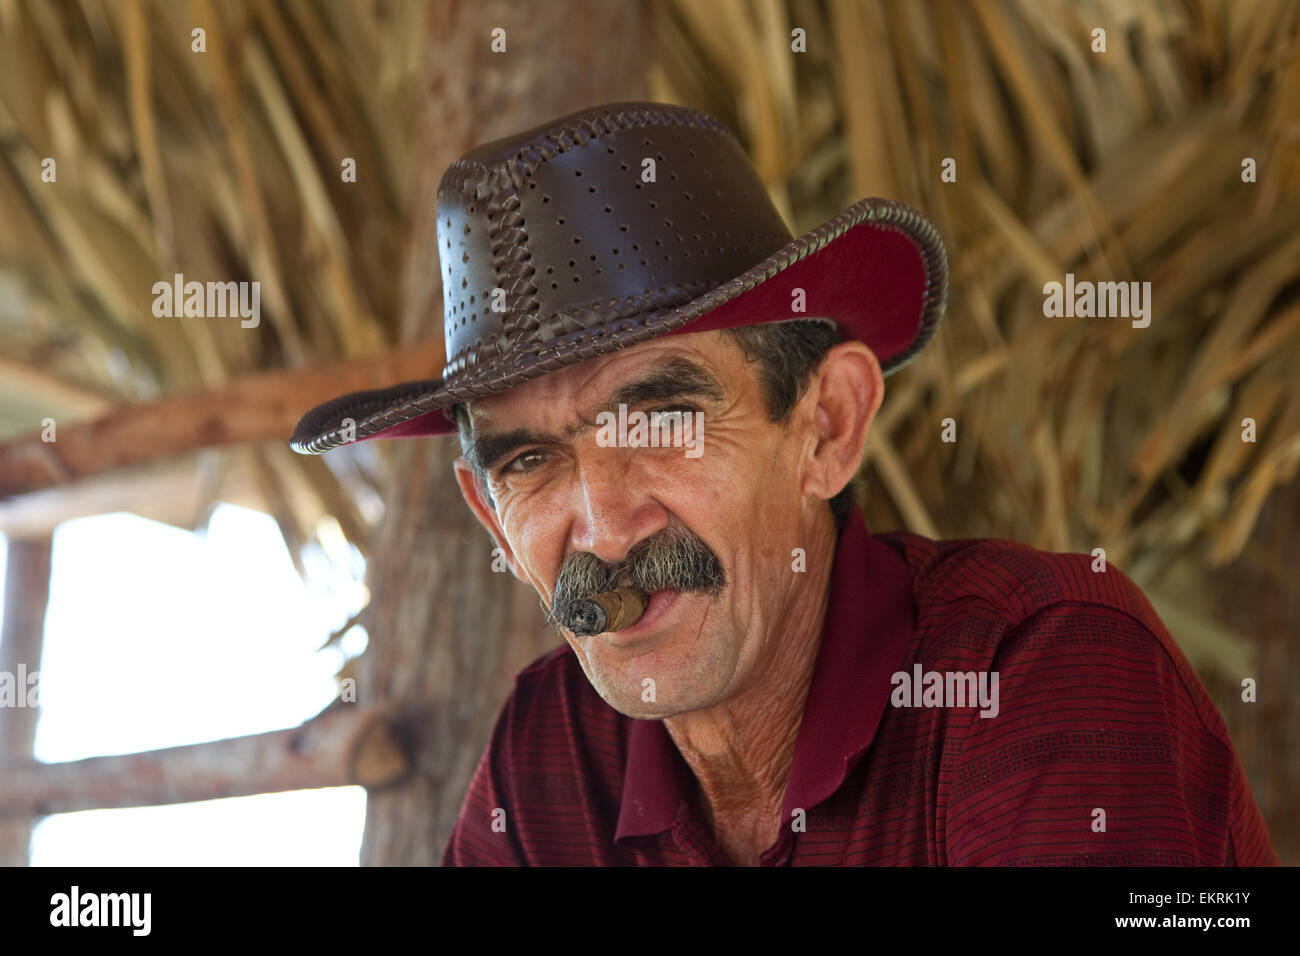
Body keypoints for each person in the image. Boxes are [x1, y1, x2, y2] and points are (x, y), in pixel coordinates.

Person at [291, 101, 1277, 866]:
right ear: (493, 524)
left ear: (827, 428)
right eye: (529, 460)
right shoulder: (552, 751)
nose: (603, 524)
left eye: (662, 417)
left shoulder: (1040, 668)